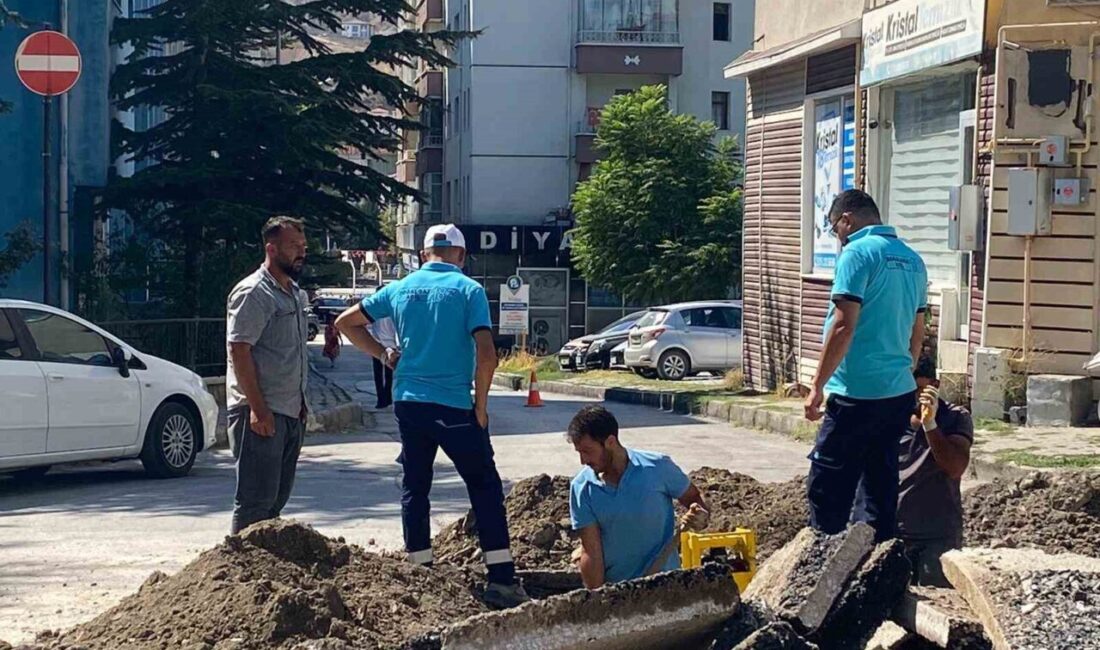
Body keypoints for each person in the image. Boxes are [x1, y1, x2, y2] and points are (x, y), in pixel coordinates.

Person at [335, 224, 528, 608]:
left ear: (423, 255)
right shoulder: (468, 290)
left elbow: (345, 323)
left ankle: (420, 573)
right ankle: (501, 581)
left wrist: (383, 354)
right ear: (461, 255)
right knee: (484, 488)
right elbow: (487, 354)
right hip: (454, 405)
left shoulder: (400, 289)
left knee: (415, 486)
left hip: (409, 402)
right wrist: (481, 406)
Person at [803, 189, 928, 543]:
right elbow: (918, 330)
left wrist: (817, 386)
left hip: (855, 393)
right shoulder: (913, 259)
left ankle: (823, 561)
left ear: (847, 219)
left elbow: (843, 326)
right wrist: (904, 371)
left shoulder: (857, 253)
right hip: (897, 393)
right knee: (879, 486)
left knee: (828, 488)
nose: (837, 237)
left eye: (834, 229)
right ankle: (877, 562)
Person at [225, 216, 310, 534]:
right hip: (261, 414)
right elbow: (239, 350)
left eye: (303, 246)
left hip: (290, 411)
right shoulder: (254, 292)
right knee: (255, 504)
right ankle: (242, 563)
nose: (301, 252)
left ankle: (266, 564)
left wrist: (301, 407)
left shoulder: (294, 293)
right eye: (293, 246)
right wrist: (259, 410)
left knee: (275, 503)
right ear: (271, 249)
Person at [567, 405, 710, 588]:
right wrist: (597, 598)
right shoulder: (582, 488)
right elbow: (592, 553)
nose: (583, 460)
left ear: (610, 442)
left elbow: (695, 499)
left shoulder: (657, 468)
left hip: (667, 588)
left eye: (587, 451)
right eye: (579, 452)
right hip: (619, 593)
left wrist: (700, 516)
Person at [896, 356, 973, 586]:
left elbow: (955, 467)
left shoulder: (955, 417)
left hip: (937, 536)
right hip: (894, 532)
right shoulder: (892, 415)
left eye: (919, 389)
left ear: (934, 385)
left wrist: (930, 425)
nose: (912, 397)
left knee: (939, 599)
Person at [369, 316, 398, 409]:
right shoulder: (391, 312)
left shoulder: (376, 312)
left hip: (377, 343)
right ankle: (388, 397)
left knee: (378, 374)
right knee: (388, 373)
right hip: (390, 344)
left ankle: (381, 399)